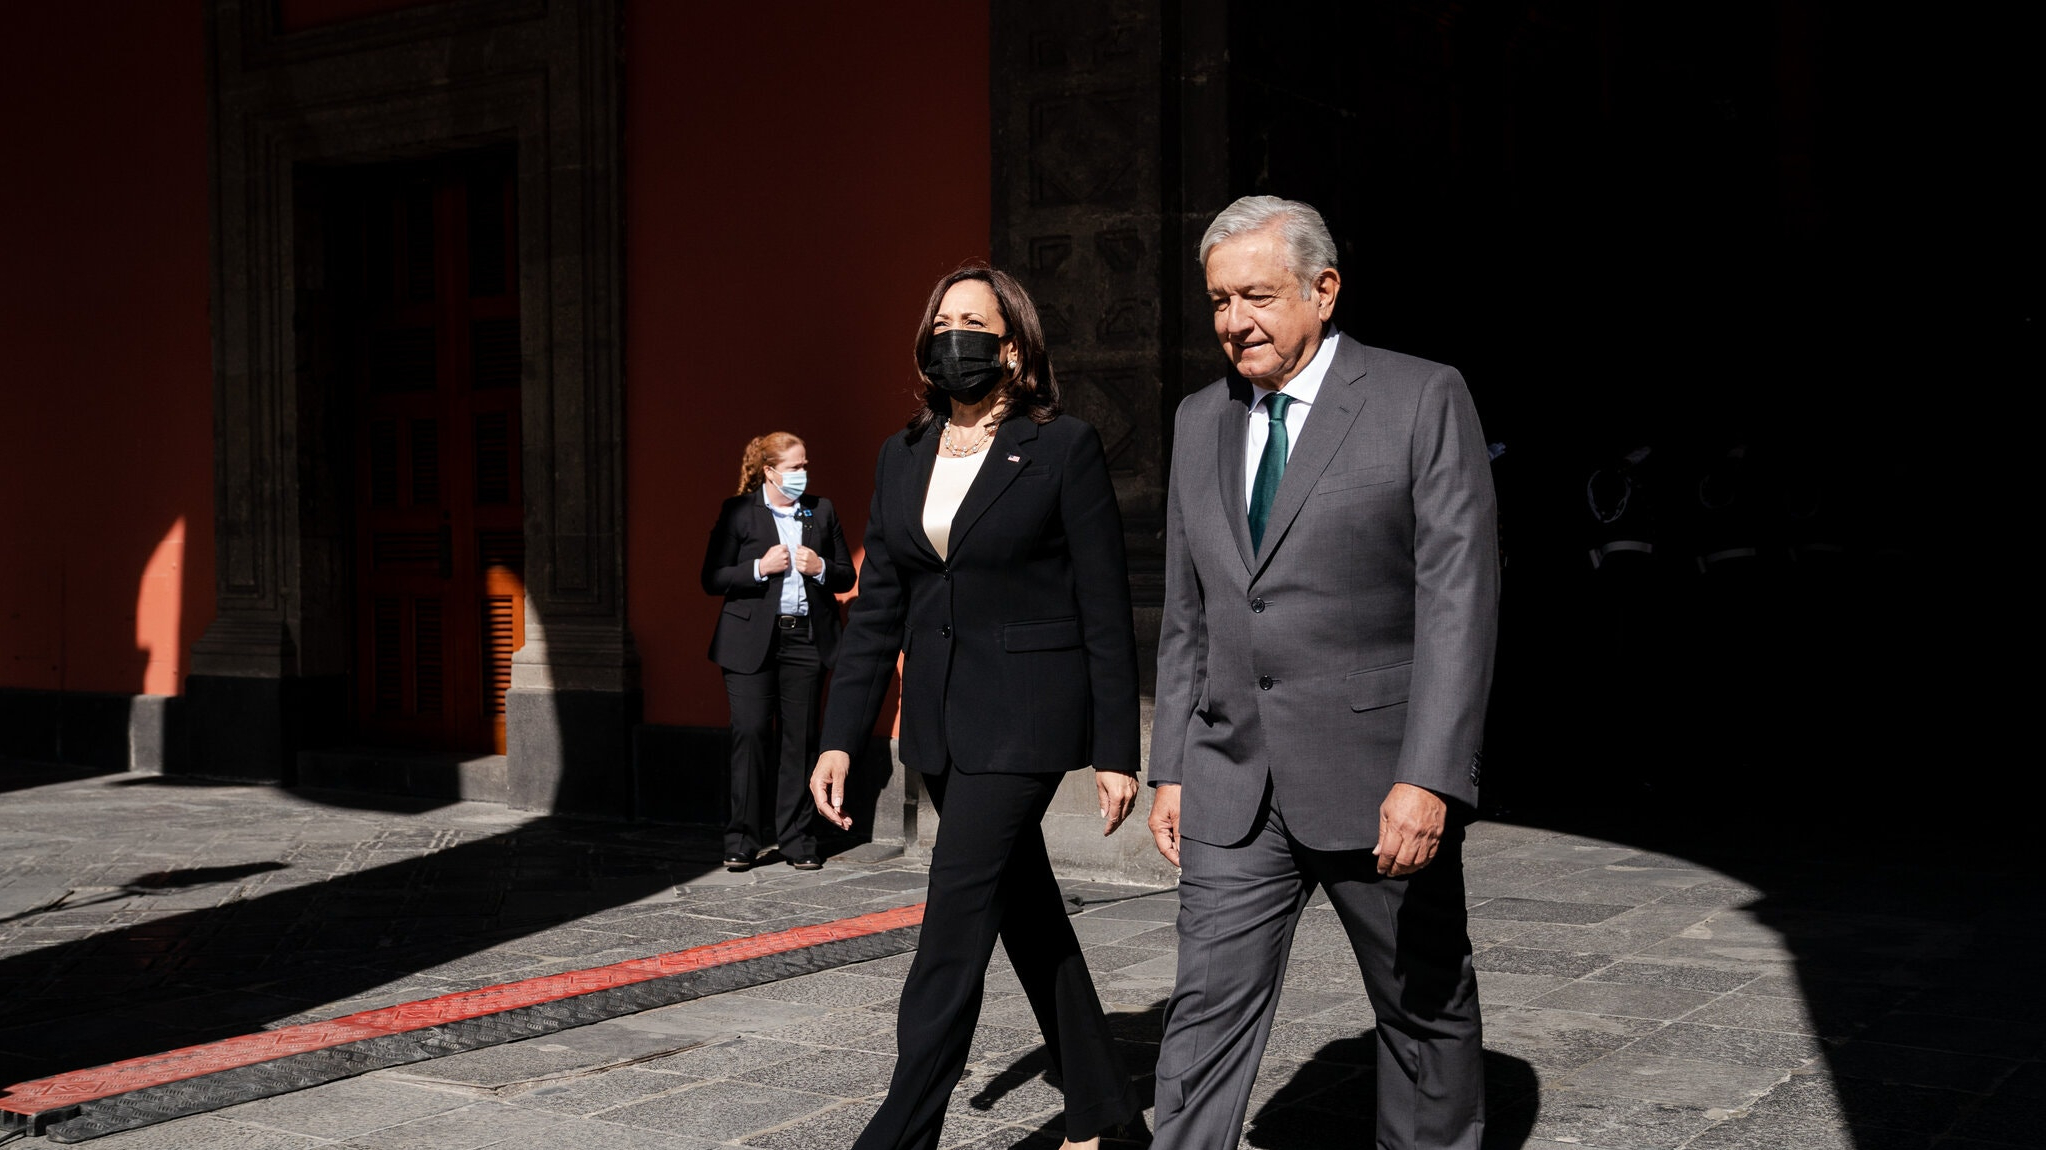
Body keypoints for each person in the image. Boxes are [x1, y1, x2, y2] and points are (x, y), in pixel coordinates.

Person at [1146, 196, 1500, 1150]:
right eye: (1219, 301)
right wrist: (1171, 761)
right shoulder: (1197, 419)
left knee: (1422, 1011)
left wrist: (1428, 776)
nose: (1234, 322)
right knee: (1203, 1020)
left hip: (1378, 776)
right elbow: (1191, 608)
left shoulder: (1421, 397)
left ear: (1323, 290)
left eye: (1256, 296)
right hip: (1231, 778)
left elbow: (1459, 603)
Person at [809, 266, 1142, 1150]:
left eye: (973, 322)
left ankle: (900, 1130)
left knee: (955, 918)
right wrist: (841, 738)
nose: (952, 336)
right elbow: (879, 605)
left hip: (1028, 717)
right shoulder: (902, 453)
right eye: (941, 321)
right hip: (942, 725)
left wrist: (1118, 747)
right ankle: (1106, 1108)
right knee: (1025, 909)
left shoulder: (1061, 445)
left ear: (1012, 345)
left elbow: (1104, 607)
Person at [701, 432, 854, 872]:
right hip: (750, 641)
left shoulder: (821, 511)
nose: (802, 474)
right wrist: (758, 568)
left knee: (801, 740)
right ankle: (742, 839)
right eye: (793, 467)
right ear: (769, 470)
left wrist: (820, 567)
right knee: (749, 733)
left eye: (805, 465)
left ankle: (797, 838)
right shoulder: (739, 512)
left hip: (806, 640)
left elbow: (844, 574)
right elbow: (711, 577)